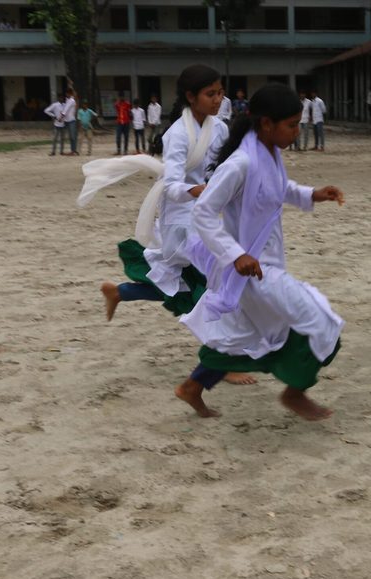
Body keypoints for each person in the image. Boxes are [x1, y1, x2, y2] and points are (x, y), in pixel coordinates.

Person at [176, 82, 346, 420]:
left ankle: (191, 388)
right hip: (250, 270)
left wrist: (313, 194)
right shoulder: (240, 163)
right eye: (292, 125)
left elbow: (280, 189)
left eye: (299, 124)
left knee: (244, 335)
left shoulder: (269, 152)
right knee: (323, 321)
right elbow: (204, 212)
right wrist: (235, 255)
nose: (297, 132)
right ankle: (295, 393)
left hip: (264, 264)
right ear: (266, 124)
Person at [86, 64, 255, 386]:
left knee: (181, 284)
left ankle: (118, 292)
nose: (218, 99)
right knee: (213, 284)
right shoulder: (177, 134)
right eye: (211, 94)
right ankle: (219, 361)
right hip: (181, 219)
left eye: (220, 92)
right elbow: (172, 184)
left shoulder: (218, 128)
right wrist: (199, 190)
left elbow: (225, 164)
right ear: (191, 97)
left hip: (203, 215)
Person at [63, 89, 79, 155]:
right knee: (72, 136)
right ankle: (73, 150)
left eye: (67, 94)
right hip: (67, 120)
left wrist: (61, 117)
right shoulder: (68, 100)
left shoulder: (71, 100)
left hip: (71, 120)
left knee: (72, 136)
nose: (66, 95)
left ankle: (74, 150)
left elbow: (66, 109)